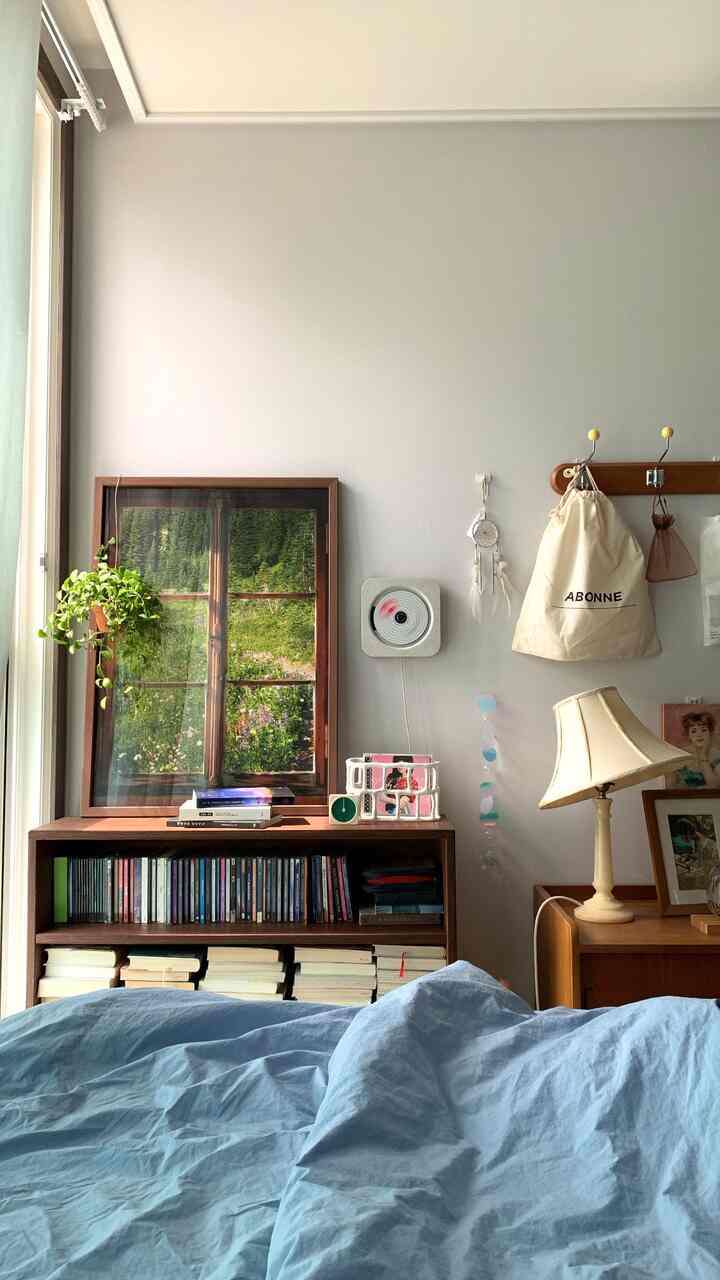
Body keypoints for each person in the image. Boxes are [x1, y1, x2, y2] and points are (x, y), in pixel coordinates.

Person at [674, 711, 720, 787]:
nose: (699, 734)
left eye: (704, 730)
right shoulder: (679, 755)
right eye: (694, 731)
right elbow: (671, 788)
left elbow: (714, 786)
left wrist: (703, 755)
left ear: (710, 733)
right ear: (688, 735)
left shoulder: (718, 755)